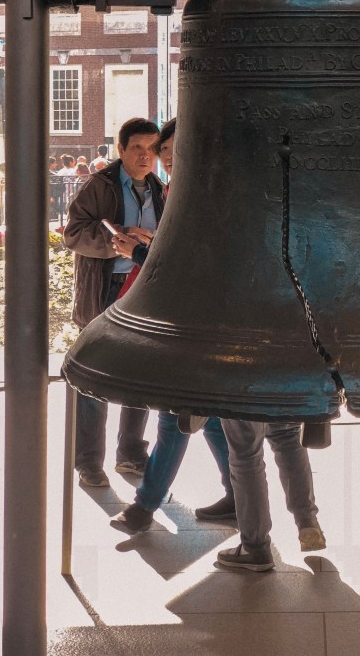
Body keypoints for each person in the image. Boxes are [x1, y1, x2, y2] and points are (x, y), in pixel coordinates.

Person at [109, 119, 237, 534]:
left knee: (175, 415)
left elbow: (189, 268)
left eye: (170, 150)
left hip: (195, 320)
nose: (164, 158)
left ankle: (144, 507)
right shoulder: (190, 193)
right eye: (163, 151)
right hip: (196, 318)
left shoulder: (200, 197)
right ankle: (238, 495)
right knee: (208, 417)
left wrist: (141, 252)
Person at [63, 117, 164, 488]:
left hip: (141, 288)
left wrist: (147, 243)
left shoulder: (160, 189)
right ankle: (89, 463)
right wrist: (117, 238)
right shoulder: (99, 185)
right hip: (106, 289)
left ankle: (131, 454)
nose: (145, 155)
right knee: (94, 376)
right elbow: (72, 234)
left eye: (152, 148)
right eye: (136, 147)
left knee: (139, 374)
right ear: (121, 150)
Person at [215, 419, 327, 571]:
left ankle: (255, 547)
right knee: (288, 436)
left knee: (246, 454)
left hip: (245, 397)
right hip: (290, 396)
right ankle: (307, 520)